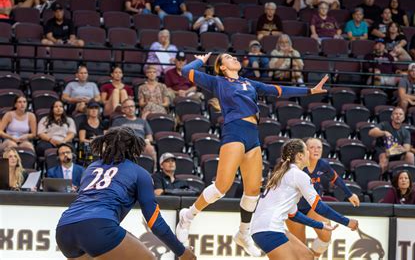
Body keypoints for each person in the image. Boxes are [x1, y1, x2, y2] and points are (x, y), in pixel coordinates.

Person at [175, 51, 328, 256]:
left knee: (253, 192)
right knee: (222, 187)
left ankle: (243, 233)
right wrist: (200, 61)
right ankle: (188, 215)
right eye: (228, 57)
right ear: (221, 66)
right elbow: (186, 71)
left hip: (252, 134)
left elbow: (279, 90)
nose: (234, 58)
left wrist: (310, 91)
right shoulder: (217, 82)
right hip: (234, 130)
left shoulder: (250, 83)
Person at [55, 127, 196, 260]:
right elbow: (155, 222)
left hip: (64, 229)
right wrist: (181, 252)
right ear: (135, 148)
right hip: (98, 226)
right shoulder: (139, 173)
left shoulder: (91, 167)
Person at [251, 139, 358, 259]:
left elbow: (293, 214)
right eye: (307, 149)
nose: (310, 152)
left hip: (267, 227)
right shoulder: (298, 175)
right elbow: (318, 206)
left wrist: (320, 225)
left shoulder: (285, 173)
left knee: (307, 256)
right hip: (268, 229)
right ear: (300, 156)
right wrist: (347, 222)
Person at [285, 138, 360, 257]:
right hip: (293, 208)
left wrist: (350, 194)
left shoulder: (322, 164)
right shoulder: (296, 168)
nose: (316, 150)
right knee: (300, 246)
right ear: (305, 151)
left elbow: (335, 179)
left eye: (319, 147)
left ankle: (313, 256)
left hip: (312, 206)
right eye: (312, 147)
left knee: (326, 235)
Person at [368, 107, 415, 175]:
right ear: (392, 117)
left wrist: (392, 151)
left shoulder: (406, 132)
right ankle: (382, 180)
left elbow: (406, 148)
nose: (398, 116)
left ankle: (409, 180)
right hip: (383, 151)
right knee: (384, 156)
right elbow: (371, 132)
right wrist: (384, 133)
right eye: (396, 114)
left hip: (397, 153)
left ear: (403, 118)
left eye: (400, 114)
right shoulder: (384, 125)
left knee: (410, 155)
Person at [111, 99, 156, 167]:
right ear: (123, 110)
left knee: (150, 148)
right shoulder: (118, 121)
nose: (130, 109)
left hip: (140, 145)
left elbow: (149, 137)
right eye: (127, 107)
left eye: (132, 106)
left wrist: (147, 141)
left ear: (135, 108)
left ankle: (153, 171)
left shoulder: (143, 122)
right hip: (125, 145)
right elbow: (112, 136)